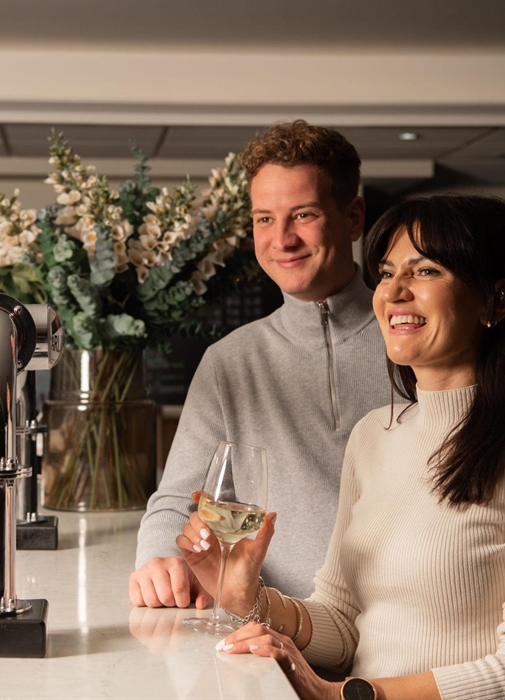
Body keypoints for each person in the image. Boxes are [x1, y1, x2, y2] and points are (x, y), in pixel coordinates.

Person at [176, 195, 505, 700]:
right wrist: (246, 597)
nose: (394, 292)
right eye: (385, 272)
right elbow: (342, 623)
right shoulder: (372, 435)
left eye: (425, 271)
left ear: (497, 301)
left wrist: (338, 695)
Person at [130, 120, 390, 609]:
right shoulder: (229, 362)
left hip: (406, 635)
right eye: (264, 219)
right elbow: (180, 499)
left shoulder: (418, 342)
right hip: (275, 630)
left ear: (353, 218)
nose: (282, 239)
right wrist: (161, 559)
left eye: (304, 215)